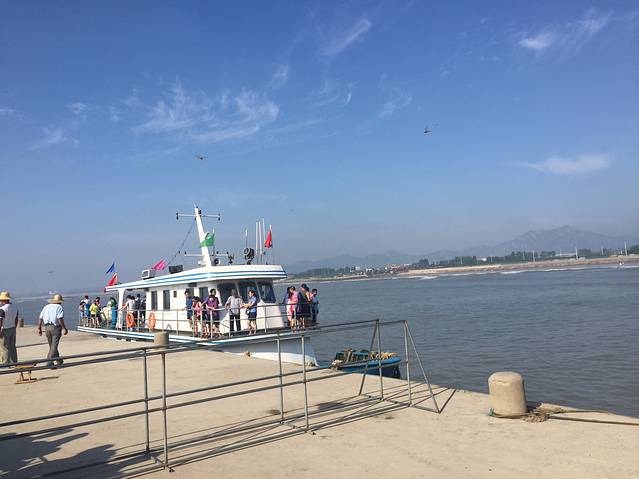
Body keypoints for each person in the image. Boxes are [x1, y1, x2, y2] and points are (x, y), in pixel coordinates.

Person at [37, 293, 68, 368]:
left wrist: (39, 328)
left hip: (47, 327)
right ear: (60, 302)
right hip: (55, 327)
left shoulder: (46, 307)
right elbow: (60, 318)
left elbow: (40, 318)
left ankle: (59, 360)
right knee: (54, 345)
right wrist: (64, 328)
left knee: (52, 345)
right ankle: (49, 361)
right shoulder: (59, 307)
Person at [0, 291, 19, 365]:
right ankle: (14, 361)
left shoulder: (2, 309)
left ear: (3, 300)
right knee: (12, 346)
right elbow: (16, 319)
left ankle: (5, 362)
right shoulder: (15, 307)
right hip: (12, 328)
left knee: (4, 347)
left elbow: (0, 321)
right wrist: (14, 327)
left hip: (4, 329)